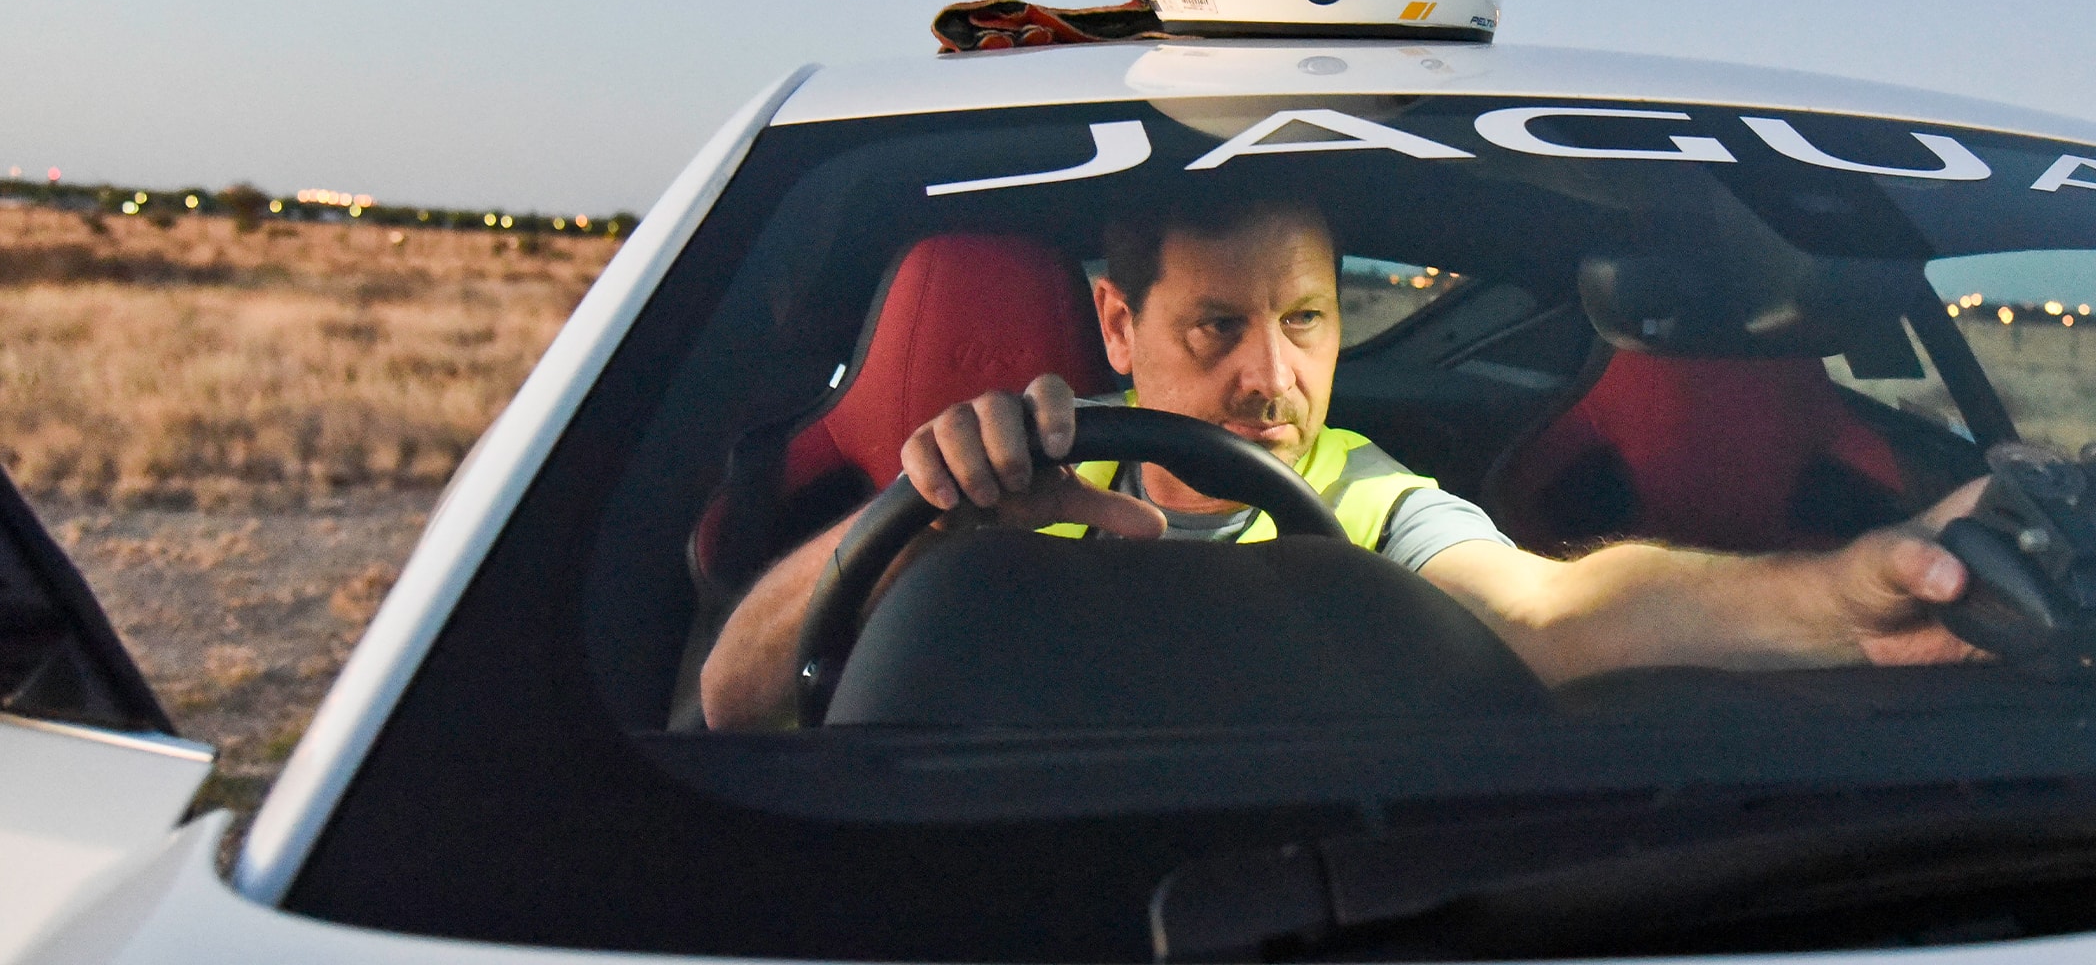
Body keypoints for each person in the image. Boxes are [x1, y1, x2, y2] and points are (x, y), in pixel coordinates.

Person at [699, 197, 1985, 729]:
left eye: (1306, 322)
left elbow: (1549, 606)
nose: (1273, 379)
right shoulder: (999, 474)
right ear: (1115, 329)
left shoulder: (1362, 488)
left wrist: (1840, 598)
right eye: (1215, 329)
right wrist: (931, 525)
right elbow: (732, 700)